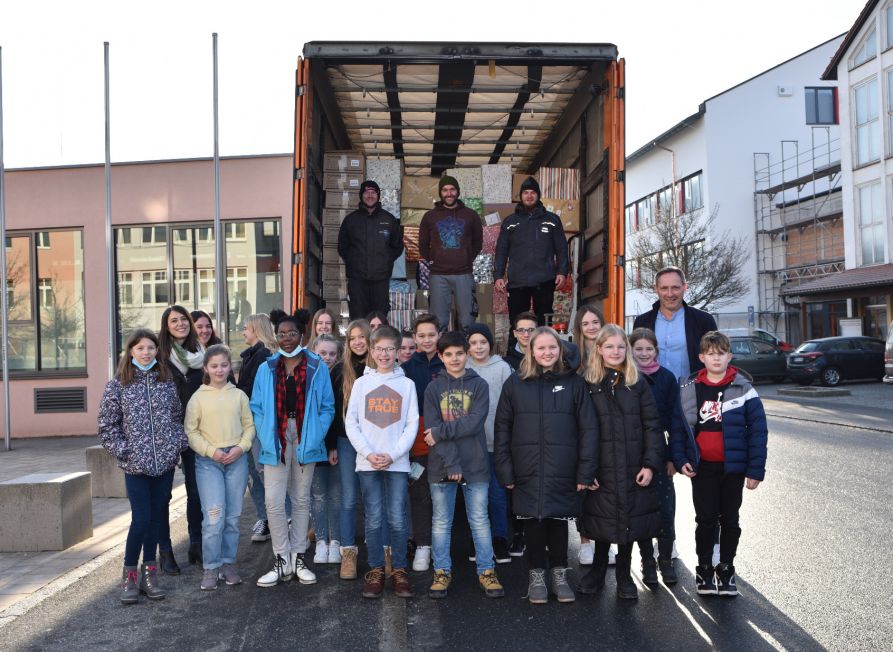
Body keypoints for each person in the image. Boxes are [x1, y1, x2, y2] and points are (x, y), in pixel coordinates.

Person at [494, 327, 598, 605]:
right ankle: (536, 576)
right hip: (525, 467)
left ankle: (559, 574)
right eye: (541, 348)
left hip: (563, 467)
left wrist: (586, 470)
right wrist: (504, 468)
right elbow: (502, 429)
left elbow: (588, 429)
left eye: (552, 347)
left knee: (558, 522)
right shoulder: (515, 384)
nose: (547, 353)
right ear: (531, 351)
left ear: (560, 349)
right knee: (533, 524)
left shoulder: (575, 384)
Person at [670, 331, 768, 597]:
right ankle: (704, 568)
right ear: (702, 357)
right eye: (710, 354)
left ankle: (726, 568)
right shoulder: (690, 387)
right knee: (705, 520)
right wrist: (680, 460)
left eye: (721, 353)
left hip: (732, 468)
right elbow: (679, 429)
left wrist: (755, 469)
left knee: (731, 520)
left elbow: (758, 430)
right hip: (702, 468)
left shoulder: (743, 387)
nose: (716, 358)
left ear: (729, 356)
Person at [98, 329, 188, 604]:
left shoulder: (166, 382)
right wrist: (126, 452)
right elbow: (107, 425)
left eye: (151, 348)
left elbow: (176, 417)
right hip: (136, 466)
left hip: (164, 465)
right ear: (131, 352)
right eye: (140, 348)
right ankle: (129, 576)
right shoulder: (118, 385)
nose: (146, 352)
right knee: (141, 519)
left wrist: (175, 445)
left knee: (156, 519)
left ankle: (150, 574)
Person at [578, 325, 665, 600]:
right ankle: (599, 568)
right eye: (609, 346)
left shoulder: (636, 383)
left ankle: (624, 573)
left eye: (620, 346)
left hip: (633, 465)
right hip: (600, 466)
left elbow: (652, 425)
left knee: (629, 519)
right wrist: (585, 469)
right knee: (602, 519)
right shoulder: (587, 383)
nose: (615, 351)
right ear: (599, 349)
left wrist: (650, 464)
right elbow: (578, 428)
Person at [250, 312, 335, 588]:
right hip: (275, 437)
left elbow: (326, 407)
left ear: (302, 335)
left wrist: (312, 438)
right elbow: (257, 408)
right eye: (282, 333)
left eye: (292, 333)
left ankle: (298, 557)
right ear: (276, 336)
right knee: (273, 501)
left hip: (305, 436)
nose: (287, 339)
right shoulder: (267, 368)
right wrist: (266, 435)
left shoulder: (316, 366)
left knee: (300, 499)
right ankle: (281, 558)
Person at [423, 331, 505, 600]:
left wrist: (441, 432)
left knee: (480, 521)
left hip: (476, 463)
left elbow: (474, 422)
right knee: (441, 522)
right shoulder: (433, 388)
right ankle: (441, 571)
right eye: (449, 354)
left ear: (466, 354)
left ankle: (486, 570)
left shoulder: (479, 385)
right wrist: (452, 463)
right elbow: (430, 430)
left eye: (460, 353)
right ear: (440, 356)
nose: (455, 358)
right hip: (442, 466)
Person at [345, 325, 419, 599]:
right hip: (368, 463)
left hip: (397, 463)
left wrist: (394, 454)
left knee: (398, 518)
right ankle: (376, 569)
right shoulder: (362, 384)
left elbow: (412, 424)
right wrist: (368, 453)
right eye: (379, 349)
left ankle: (399, 569)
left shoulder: (407, 385)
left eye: (390, 349)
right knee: (374, 518)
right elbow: (351, 422)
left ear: (398, 351)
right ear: (371, 351)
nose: (385, 354)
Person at [185, 344, 256, 591]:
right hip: (209, 462)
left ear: (230, 366)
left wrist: (242, 447)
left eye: (224, 365)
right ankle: (211, 567)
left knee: (233, 518)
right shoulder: (198, 398)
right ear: (206, 368)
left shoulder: (238, 396)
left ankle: (228, 563)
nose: (219, 370)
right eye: (214, 366)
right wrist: (211, 451)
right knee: (214, 517)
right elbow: (191, 432)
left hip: (236, 459)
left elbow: (249, 426)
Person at [630, 327, 681, 585]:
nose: (644, 353)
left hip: (660, 451)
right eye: (638, 349)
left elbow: (675, 421)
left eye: (649, 349)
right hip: (633, 453)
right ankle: (647, 560)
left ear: (656, 351)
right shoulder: (626, 377)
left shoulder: (667, 378)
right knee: (641, 511)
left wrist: (673, 457)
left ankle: (665, 559)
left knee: (665, 507)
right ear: (631, 350)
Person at [157, 305, 205, 572]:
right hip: (166, 433)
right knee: (163, 495)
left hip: (196, 432)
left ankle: (196, 543)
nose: (180, 324)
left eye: (183, 319)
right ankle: (165, 551)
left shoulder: (202, 354)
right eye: (173, 321)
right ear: (166, 326)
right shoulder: (160, 357)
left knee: (196, 492)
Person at [464, 323, 512, 564]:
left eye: (483, 342)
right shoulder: (463, 367)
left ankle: (500, 539)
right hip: (471, 444)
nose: (478, 347)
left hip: (496, 441)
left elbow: (511, 404)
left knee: (496, 493)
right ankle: (479, 541)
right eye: (473, 343)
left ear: (490, 344)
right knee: (475, 495)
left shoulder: (502, 368)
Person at [399, 313, 443, 571]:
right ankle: (423, 546)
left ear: (439, 335)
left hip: (444, 439)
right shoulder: (406, 369)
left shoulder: (447, 363)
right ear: (414, 338)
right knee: (420, 495)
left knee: (443, 496)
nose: (427, 340)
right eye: (421, 335)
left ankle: (441, 546)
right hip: (416, 441)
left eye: (431, 335)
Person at [494, 177, 568, 325]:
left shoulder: (552, 220)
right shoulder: (510, 222)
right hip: (517, 281)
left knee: (544, 324)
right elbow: (501, 250)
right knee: (518, 324)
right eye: (525, 192)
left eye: (533, 192)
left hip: (545, 280)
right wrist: (498, 275)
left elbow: (562, 248)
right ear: (520, 196)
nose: (529, 196)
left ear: (538, 195)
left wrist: (562, 272)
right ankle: (514, 349)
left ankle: (543, 348)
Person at [418, 176, 483, 330]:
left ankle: (467, 351)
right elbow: (422, 244)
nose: (449, 193)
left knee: (467, 320)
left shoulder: (471, 215)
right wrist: (433, 260)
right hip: (438, 274)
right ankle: (438, 353)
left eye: (452, 189)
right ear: (440, 193)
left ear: (458, 192)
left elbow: (478, 242)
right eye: (445, 190)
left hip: (464, 274)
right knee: (438, 322)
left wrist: (466, 259)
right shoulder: (430, 216)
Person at [632, 266, 718, 380]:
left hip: (692, 393)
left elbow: (717, 357)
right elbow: (634, 359)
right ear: (656, 289)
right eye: (664, 288)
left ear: (685, 287)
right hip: (652, 393)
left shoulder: (704, 320)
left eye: (675, 288)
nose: (670, 294)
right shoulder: (642, 321)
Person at [236, 313, 278, 543]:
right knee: (255, 472)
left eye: (246, 328)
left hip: (258, 422)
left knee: (263, 472)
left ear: (256, 329)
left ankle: (279, 517)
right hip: (249, 421)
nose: (243, 332)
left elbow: (255, 392)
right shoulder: (252, 355)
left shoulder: (264, 357)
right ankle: (267, 517)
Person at [338, 180, 403, 319]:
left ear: (378, 196)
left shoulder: (389, 219)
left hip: (381, 281)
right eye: (366, 192)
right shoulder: (350, 220)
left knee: (379, 319)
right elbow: (342, 247)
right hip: (357, 281)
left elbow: (397, 246)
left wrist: (386, 260)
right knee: (358, 319)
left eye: (373, 192)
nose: (370, 195)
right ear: (361, 195)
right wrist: (352, 261)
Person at [571, 304, 605, 566]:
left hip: (608, 428)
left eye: (595, 322)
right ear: (579, 329)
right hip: (581, 429)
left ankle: (605, 539)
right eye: (586, 323)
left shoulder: (613, 350)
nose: (592, 327)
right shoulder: (573, 357)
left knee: (606, 488)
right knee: (584, 487)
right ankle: (584, 541)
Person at [310, 334, 344, 566]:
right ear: (314, 352)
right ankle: (321, 540)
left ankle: (336, 541)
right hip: (313, 445)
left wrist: (333, 445)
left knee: (335, 495)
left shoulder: (342, 377)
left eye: (332, 354)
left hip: (335, 444)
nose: (327, 358)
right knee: (319, 495)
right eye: (323, 353)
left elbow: (336, 417)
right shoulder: (308, 376)